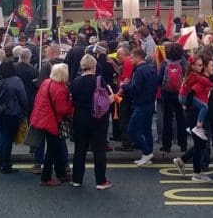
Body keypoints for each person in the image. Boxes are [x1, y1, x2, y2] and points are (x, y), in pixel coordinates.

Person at [70, 55, 114, 189]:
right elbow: (110, 99)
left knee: (80, 149)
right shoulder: (100, 81)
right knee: (99, 149)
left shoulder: (75, 82)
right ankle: (101, 181)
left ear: (82, 67)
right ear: (94, 67)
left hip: (80, 118)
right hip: (98, 119)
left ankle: (76, 179)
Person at [30, 63, 73, 186]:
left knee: (57, 147)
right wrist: (71, 102)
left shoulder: (46, 82)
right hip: (53, 122)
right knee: (52, 151)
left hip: (43, 118)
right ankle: (46, 178)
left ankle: (61, 173)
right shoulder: (60, 89)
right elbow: (62, 110)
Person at [173, 55, 213, 183]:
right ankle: (196, 174)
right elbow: (190, 94)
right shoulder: (199, 80)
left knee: (200, 144)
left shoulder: (198, 78)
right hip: (194, 116)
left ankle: (183, 160)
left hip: (193, 115)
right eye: (211, 65)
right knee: (200, 144)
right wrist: (188, 107)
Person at [0, 60, 28, 174]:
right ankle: (5, 164)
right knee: (7, 138)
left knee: (2, 135)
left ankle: (0, 160)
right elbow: (23, 98)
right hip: (11, 113)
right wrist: (24, 111)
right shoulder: (16, 80)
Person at [122, 48, 156, 167]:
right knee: (147, 130)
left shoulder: (139, 71)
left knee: (132, 130)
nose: (131, 60)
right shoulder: (151, 68)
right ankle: (148, 155)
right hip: (150, 103)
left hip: (141, 104)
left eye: (132, 57)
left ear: (138, 57)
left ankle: (147, 153)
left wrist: (124, 86)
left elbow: (135, 88)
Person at [159, 43, 188, 152]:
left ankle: (166, 146)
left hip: (167, 94)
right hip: (181, 93)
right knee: (181, 119)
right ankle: (183, 144)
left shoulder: (164, 63)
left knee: (167, 119)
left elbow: (159, 79)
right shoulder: (184, 62)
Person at [178, 54, 213, 141]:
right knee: (204, 107)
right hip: (184, 97)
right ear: (193, 66)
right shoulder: (195, 75)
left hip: (182, 96)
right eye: (199, 65)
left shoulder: (190, 74)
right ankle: (198, 127)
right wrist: (212, 84)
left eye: (202, 65)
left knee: (202, 107)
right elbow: (200, 83)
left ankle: (191, 127)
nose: (201, 67)